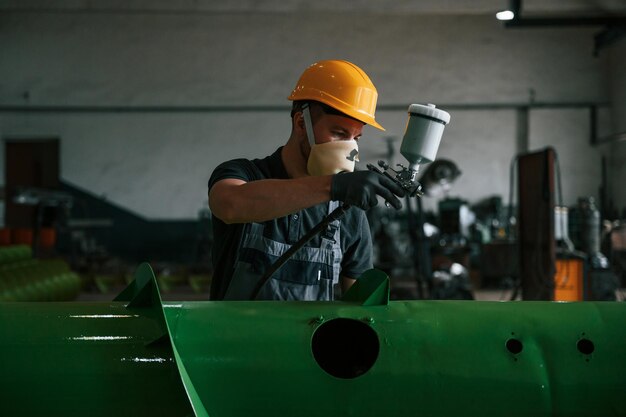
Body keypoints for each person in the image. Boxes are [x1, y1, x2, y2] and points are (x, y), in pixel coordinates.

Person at [208, 59, 405, 301]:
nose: (350, 147)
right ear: (301, 123)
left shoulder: (348, 212)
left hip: (311, 340)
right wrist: (333, 186)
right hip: (232, 338)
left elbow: (359, 309)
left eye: (356, 138)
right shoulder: (244, 174)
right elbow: (230, 204)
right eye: (339, 133)